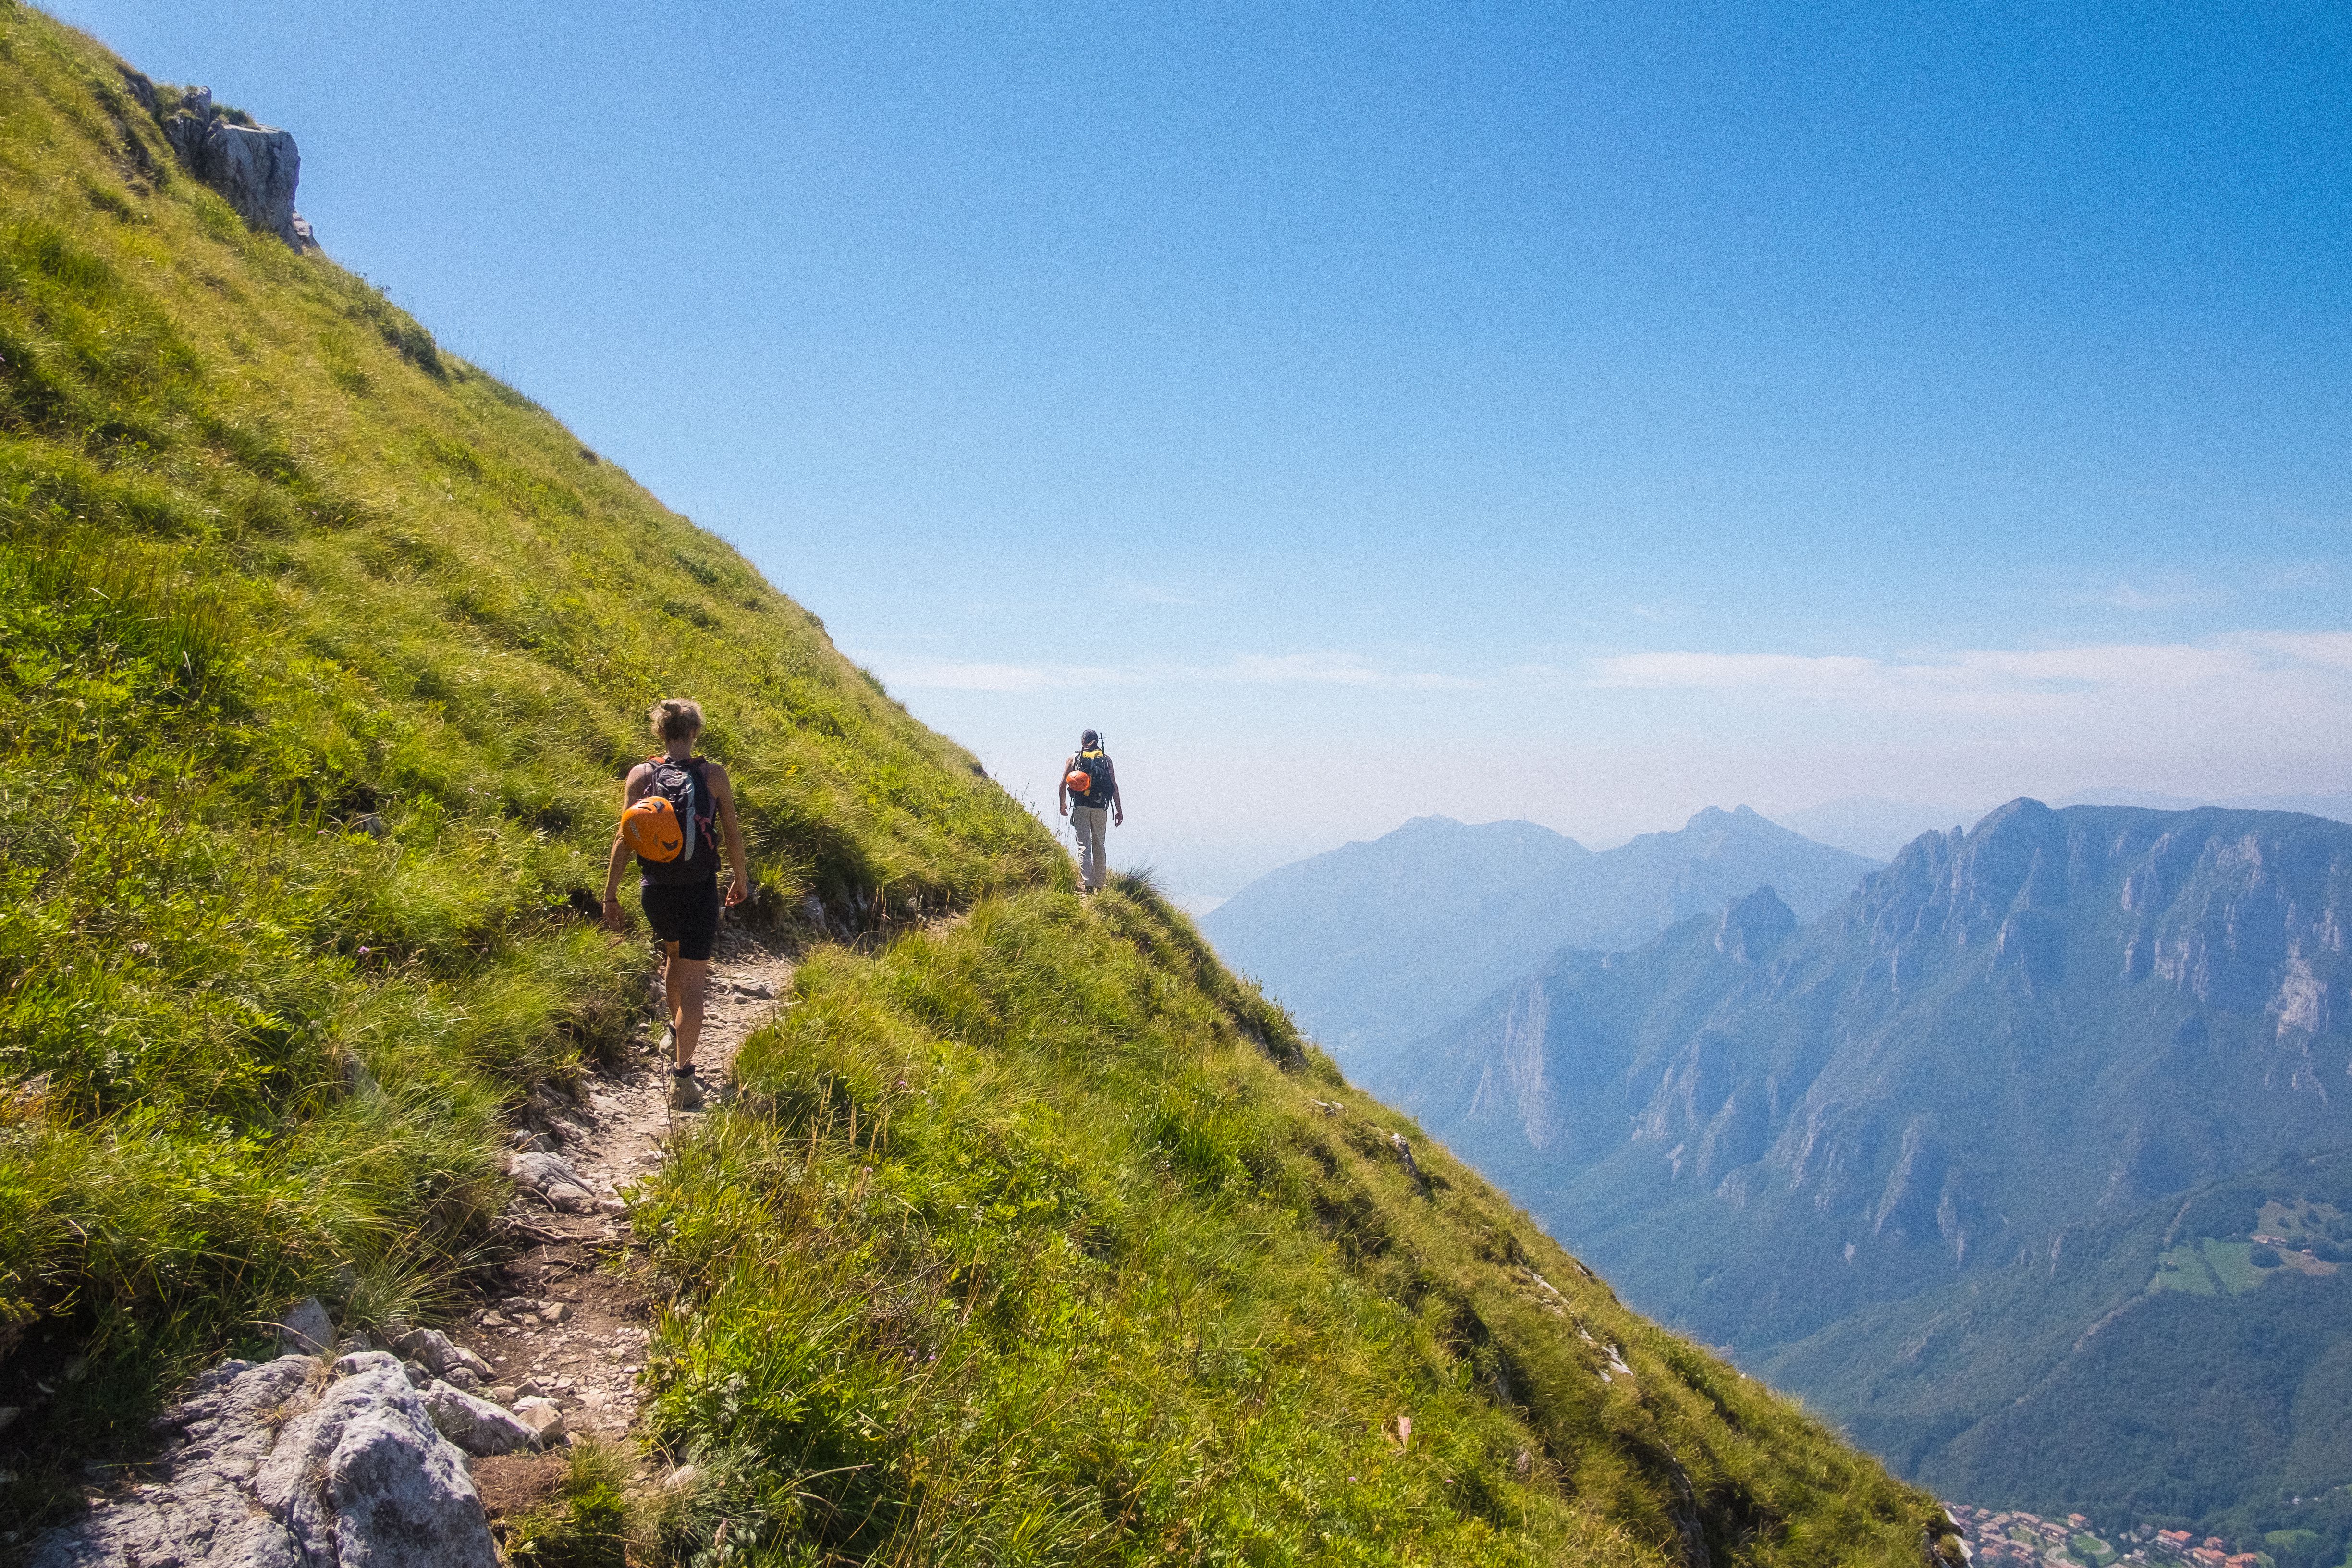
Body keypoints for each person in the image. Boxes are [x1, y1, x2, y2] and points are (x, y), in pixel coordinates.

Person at [602, 698, 748, 1110]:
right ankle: (683, 1077)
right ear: (695, 732)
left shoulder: (641, 775)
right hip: (699, 889)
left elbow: (623, 840)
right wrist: (741, 878)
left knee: (672, 953)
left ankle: (672, 1028)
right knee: (694, 982)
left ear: (660, 732)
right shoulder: (714, 775)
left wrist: (611, 895)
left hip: (656, 889)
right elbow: (733, 835)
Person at [1056, 727, 1122, 893]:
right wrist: (1119, 810)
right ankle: (1100, 883)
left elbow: (1063, 783)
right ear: (1097, 742)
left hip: (1081, 806)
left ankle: (1088, 883)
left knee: (1084, 845)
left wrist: (1062, 804)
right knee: (1099, 844)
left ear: (1082, 741)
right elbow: (1113, 786)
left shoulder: (1074, 758)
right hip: (1101, 807)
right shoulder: (1106, 759)